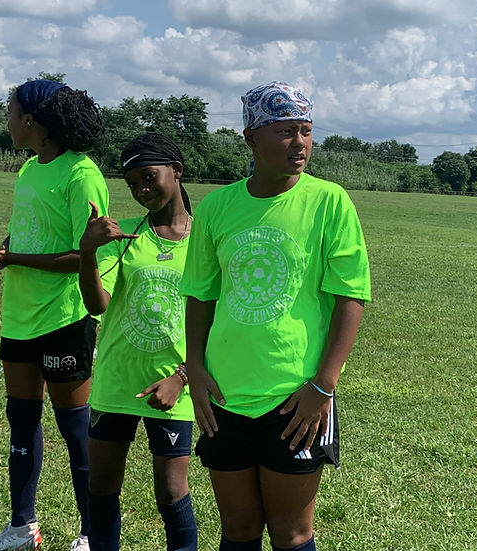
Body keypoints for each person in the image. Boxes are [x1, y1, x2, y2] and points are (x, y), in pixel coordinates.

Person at [179, 82, 372, 551]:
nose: (300, 143)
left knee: (291, 533)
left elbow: (351, 297)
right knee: (239, 531)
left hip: (296, 398)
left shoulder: (329, 201)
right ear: (250, 137)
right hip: (223, 396)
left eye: (306, 131)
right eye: (285, 132)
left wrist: (323, 386)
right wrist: (197, 370)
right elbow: (200, 295)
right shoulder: (219, 206)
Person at [0, 80, 108, 551]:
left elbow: (81, 255)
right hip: (21, 315)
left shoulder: (81, 173)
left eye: (10, 112)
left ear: (31, 120)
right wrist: (2, 250)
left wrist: (14, 260)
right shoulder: (29, 168)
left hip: (64, 317)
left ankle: (93, 533)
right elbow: (24, 228)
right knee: (21, 420)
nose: (6, 121)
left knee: (74, 428)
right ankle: (21, 528)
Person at [78, 133, 197, 551]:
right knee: (103, 484)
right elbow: (98, 303)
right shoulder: (124, 236)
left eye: (149, 176)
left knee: (170, 489)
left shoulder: (206, 240)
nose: (141, 189)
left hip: (174, 385)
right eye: (132, 183)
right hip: (116, 384)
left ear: (176, 171)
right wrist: (88, 252)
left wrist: (182, 378)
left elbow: (216, 323)